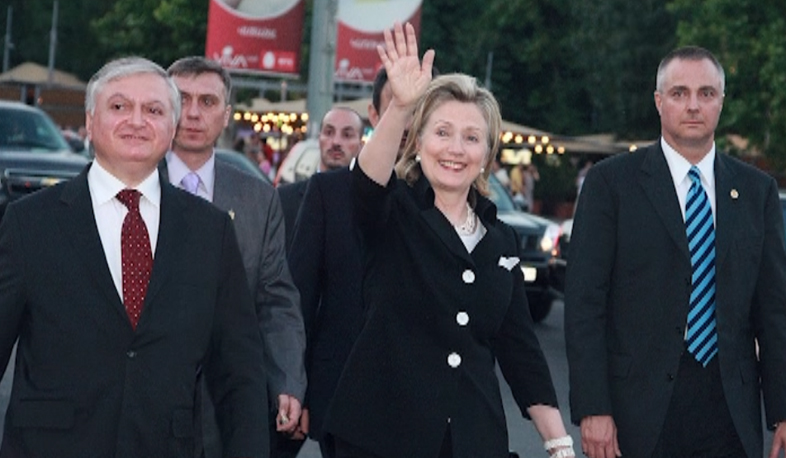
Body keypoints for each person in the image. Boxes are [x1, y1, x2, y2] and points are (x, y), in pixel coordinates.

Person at [323, 22, 573, 458]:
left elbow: (521, 350)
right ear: (418, 141)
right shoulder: (391, 210)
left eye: (471, 137)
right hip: (380, 441)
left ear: (486, 155)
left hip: (473, 442)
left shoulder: (501, 240)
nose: (456, 148)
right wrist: (401, 105)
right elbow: (363, 183)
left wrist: (558, 442)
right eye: (442, 132)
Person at [0, 56, 269, 457]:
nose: (137, 121)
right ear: (90, 123)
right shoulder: (29, 223)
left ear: (172, 128)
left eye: (154, 110)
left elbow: (240, 374)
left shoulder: (210, 231)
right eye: (120, 106)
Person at [564, 46, 786, 458]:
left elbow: (774, 312)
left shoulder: (757, 192)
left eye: (706, 93)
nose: (693, 106)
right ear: (659, 101)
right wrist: (593, 407)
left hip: (730, 415)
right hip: (637, 413)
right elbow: (584, 304)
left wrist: (782, 410)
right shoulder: (610, 185)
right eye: (680, 93)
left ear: (721, 101)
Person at [163, 56, 306, 458]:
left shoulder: (258, 199)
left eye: (207, 102)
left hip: (227, 409)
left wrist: (288, 381)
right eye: (181, 98)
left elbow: (275, 299)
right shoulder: (134, 184)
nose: (192, 113)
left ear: (226, 115)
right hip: (140, 404)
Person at [279, 67, 401, 458]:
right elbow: (299, 296)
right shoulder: (324, 193)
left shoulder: (441, 197)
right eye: (399, 108)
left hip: (417, 398)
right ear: (377, 116)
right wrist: (299, 387)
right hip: (340, 393)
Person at [277, 107, 364, 250]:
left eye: (347, 135)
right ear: (319, 138)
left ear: (361, 145)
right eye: (329, 132)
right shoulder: (285, 199)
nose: (336, 142)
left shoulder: (369, 204)